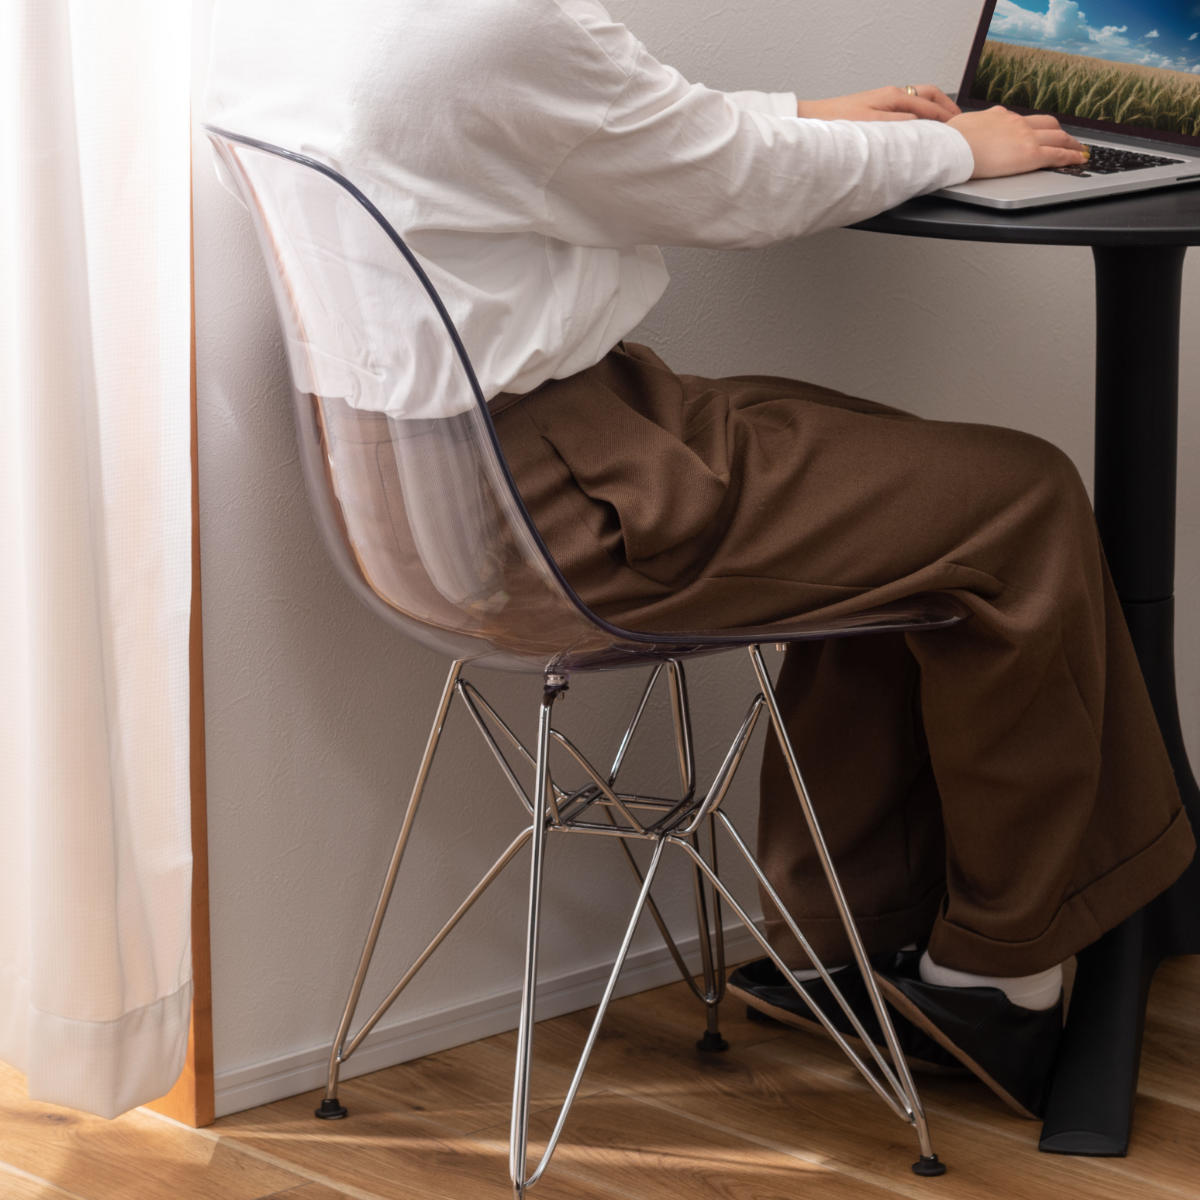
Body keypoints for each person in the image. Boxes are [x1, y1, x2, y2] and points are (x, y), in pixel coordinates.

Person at [205, 0, 1194, 1121]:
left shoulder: (276, 21)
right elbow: (732, 183)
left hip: (424, 495)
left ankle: (844, 933)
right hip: (561, 509)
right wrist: (963, 147)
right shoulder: (498, 22)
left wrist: (810, 112)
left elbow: (611, 124)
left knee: (898, 485)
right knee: (1021, 500)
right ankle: (999, 976)